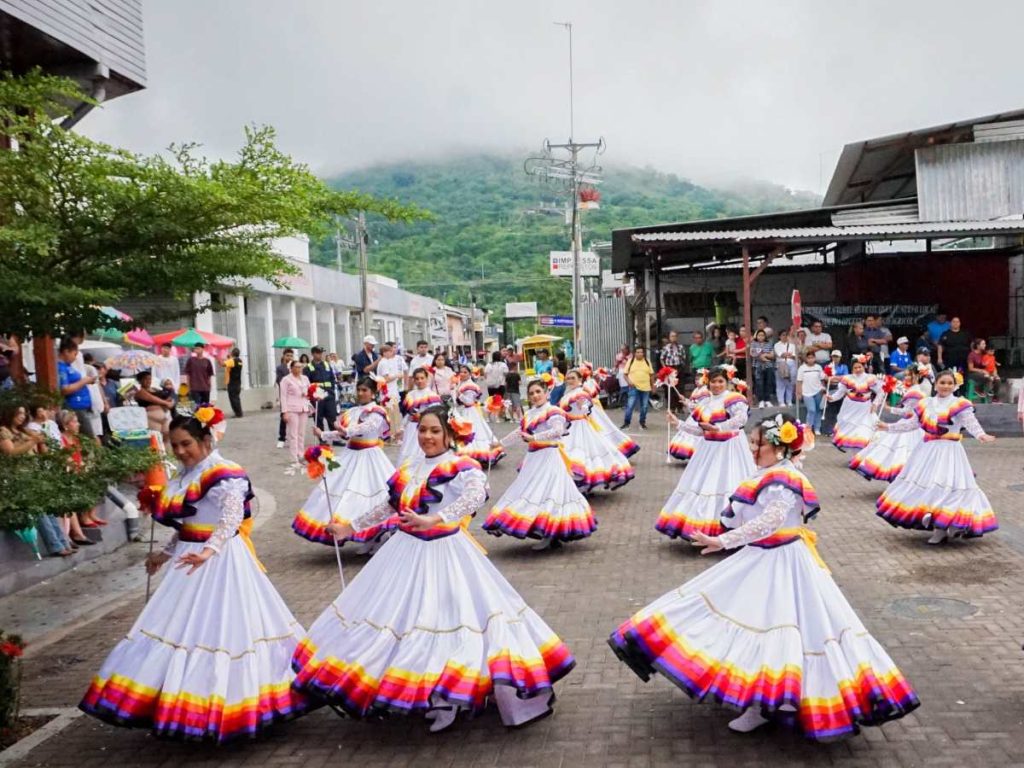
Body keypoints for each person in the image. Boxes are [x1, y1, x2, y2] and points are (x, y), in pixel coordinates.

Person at [611, 414, 919, 739]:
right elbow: (751, 518)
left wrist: (722, 541)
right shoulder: (771, 473)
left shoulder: (783, 478)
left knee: (779, 626)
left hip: (784, 560)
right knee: (746, 619)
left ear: (780, 446)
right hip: (762, 557)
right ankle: (761, 701)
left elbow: (769, 522)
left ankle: (765, 705)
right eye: (753, 442)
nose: (753, 448)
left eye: (759, 443)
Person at [292, 407, 575, 732]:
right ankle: (428, 693)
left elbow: (476, 496)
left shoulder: (460, 465)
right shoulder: (411, 467)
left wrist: (436, 518)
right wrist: (350, 527)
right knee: (404, 620)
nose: (427, 436)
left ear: (449, 434)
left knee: (447, 622)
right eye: (423, 430)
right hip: (404, 553)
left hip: (446, 554)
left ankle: (448, 699)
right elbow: (390, 505)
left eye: (435, 431)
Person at [80, 411, 312, 741]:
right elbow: (189, 527)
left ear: (206, 440)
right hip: (190, 561)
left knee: (226, 630)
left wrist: (210, 550)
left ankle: (232, 706)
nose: (180, 451)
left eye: (186, 443)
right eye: (174, 445)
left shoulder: (224, 472)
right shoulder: (184, 476)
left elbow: (231, 517)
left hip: (221, 562)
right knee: (179, 628)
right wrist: (164, 553)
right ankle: (183, 704)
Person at [876, 370, 997, 544]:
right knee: (928, 485)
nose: (946, 386)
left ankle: (952, 523)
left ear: (955, 385)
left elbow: (971, 423)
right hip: (928, 450)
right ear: (935, 384)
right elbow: (912, 424)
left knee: (951, 486)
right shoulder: (926, 403)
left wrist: (981, 435)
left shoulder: (960, 404)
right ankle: (937, 526)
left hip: (950, 451)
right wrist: (887, 427)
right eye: (942, 382)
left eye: (949, 383)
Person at [484, 379, 595, 550]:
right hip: (534, 458)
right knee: (531, 492)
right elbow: (519, 432)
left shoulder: (553, 411)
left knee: (550, 492)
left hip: (550, 457)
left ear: (546, 393)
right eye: (531, 393)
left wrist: (535, 438)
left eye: (538, 392)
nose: (535, 396)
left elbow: (558, 431)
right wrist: (500, 443)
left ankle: (551, 533)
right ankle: (545, 531)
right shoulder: (530, 414)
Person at [293, 377, 395, 551]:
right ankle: (366, 536)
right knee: (345, 493)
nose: (361, 393)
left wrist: (347, 430)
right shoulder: (353, 411)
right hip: (351, 455)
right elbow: (342, 434)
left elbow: (368, 427)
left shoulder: (376, 411)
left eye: (365, 390)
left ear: (373, 392)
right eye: (359, 389)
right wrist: (323, 434)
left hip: (370, 457)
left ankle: (378, 536)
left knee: (373, 495)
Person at [655, 368, 755, 541]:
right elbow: (700, 431)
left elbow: (741, 419)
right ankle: (704, 528)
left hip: (730, 448)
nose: (716, 385)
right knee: (705, 484)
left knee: (729, 483)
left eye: (720, 381)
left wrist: (720, 427)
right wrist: (677, 422)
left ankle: (733, 529)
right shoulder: (705, 403)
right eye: (713, 382)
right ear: (708, 383)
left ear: (727, 382)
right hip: (708, 449)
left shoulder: (733, 399)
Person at [559, 369, 634, 493]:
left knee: (582, 455)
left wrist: (581, 407)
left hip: (581, 428)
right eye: (568, 378)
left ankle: (584, 484)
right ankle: (575, 485)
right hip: (569, 428)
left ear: (580, 380)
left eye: (573, 378)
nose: (570, 381)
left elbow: (586, 409)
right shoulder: (566, 395)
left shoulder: (581, 393)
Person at [849, 366, 926, 482]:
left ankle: (902, 478)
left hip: (910, 425)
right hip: (907, 423)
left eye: (909, 375)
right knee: (895, 452)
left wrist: (888, 408)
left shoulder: (915, 392)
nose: (907, 377)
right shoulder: (912, 389)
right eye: (905, 375)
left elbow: (906, 411)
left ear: (917, 376)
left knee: (903, 453)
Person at [827, 355, 882, 452]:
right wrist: (832, 398)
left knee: (863, 430)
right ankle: (848, 449)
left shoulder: (870, 378)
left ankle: (860, 455)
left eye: (859, 367)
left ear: (864, 366)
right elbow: (841, 392)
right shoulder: (847, 378)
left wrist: (875, 404)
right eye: (855, 367)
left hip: (864, 408)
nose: (857, 369)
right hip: (849, 407)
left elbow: (880, 392)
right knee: (848, 429)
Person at [452, 369, 505, 466]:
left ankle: (477, 456)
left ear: (470, 374)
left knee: (472, 433)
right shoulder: (460, 383)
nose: (462, 374)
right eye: (461, 372)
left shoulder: (470, 386)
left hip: (469, 412)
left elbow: (469, 402)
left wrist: (459, 395)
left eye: (465, 372)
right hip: (461, 411)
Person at [397, 367, 442, 465]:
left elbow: (436, 413)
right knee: (408, 452)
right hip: (411, 429)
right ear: (413, 380)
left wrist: (422, 416)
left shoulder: (432, 395)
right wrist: (401, 428)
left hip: (425, 428)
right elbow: (406, 415)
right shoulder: (410, 395)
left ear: (427, 378)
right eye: (417, 379)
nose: (419, 381)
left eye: (422, 378)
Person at [57, 338, 97, 439]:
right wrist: (84, 381)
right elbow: (65, 389)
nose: (75, 358)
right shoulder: (61, 367)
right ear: (66, 352)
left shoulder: (68, 366)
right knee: (89, 438)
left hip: (82, 406)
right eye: (74, 354)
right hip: (75, 406)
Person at [668, 369, 710, 462]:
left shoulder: (706, 391)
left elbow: (701, 406)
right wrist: (685, 400)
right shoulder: (696, 390)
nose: (697, 381)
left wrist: (688, 404)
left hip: (701, 417)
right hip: (693, 416)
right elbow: (692, 403)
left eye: (699, 379)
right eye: (695, 379)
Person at [280, 359, 311, 473]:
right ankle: (294, 457)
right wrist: (285, 412)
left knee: (301, 433)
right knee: (293, 434)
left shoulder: (305, 378)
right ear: (291, 368)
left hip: (303, 407)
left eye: (300, 367)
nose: (299, 369)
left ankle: (301, 454)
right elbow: (283, 396)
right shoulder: (286, 380)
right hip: (291, 408)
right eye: (296, 367)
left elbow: (309, 390)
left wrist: (308, 393)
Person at [374, 343, 407, 434]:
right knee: (390, 415)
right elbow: (386, 379)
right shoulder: (384, 363)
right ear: (384, 353)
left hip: (392, 392)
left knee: (395, 414)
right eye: (390, 351)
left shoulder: (388, 362)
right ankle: (390, 435)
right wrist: (397, 375)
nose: (392, 353)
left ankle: (394, 433)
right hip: (388, 394)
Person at [306, 346, 339, 435]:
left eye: (321, 353)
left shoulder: (326, 364)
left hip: (329, 394)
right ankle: (322, 437)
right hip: (317, 395)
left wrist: (331, 391)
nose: (320, 355)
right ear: (313, 354)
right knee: (318, 417)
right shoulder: (308, 367)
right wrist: (312, 395)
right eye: (318, 353)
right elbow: (307, 383)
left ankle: (334, 437)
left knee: (332, 416)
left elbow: (332, 378)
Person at [134, 371, 174, 441]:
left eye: (150, 379)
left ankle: (168, 451)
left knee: (167, 437)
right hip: (151, 417)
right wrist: (165, 403)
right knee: (155, 439)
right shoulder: (139, 391)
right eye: (146, 379)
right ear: (140, 381)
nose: (148, 381)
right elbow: (152, 398)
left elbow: (168, 398)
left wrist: (169, 401)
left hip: (165, 415)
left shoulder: (156, 389)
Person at [621, 346, 654, 430]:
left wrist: (653, 386)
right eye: (638, 352)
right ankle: (626, 423)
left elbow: (651, 375)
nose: (640, 354)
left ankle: (642, 423)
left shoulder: (647, 361)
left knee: (645, 407)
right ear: (635, 353)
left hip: (646, 387)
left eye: (641, 352)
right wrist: (629, 382)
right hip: (633, 387)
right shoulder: (630, 361)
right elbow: (625, 374)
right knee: (630, 406)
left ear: (643, 353)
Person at [182, 342, 214, 407]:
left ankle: (205, 417)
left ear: (202, 349)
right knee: (196, 406)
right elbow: (188, 374)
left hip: (205, 387)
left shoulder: (207, 361)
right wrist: (188, 385)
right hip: (194, 387)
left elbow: (210, 374)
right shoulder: (191, 360)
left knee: (205, 406)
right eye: (195, 348)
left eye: (198, 348)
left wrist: (210, 385)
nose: (196, 350)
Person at [750, 329, 775, 408]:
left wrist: (764, 356)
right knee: (759, 384)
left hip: (768, 366)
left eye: (763, 335)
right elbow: (752, 353)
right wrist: (761, 356)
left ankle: (767, 400)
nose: (761, 337)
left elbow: (772, 355)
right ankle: (761, 400)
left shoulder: (769, 343)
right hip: (758, 366)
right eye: (759, 335)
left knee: (768, 383)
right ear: (756, 336)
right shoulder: (754, 343)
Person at [274, 349, 294, 449]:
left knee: (295, 418)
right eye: (288, 355)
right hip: (285, 395)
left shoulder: (295, 366)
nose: (289, 358)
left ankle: (294, 438)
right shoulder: (280, 368)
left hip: (295, 396)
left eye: (291, 356)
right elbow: (280, 381)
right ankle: (281, 438)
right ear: (284, 356)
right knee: (284, 417)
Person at [773, 329, 798, 406]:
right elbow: (781, 355)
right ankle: (781, 401)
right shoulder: (776, 345)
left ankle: (789, 400)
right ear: (779, 336)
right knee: (780, 383)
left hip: (791, 365)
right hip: (781, 365)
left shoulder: (792, 345)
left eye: (786, 335)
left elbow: (794, 356)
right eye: (783, 335)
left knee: (790, 383)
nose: (784, 336)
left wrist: (786, 354)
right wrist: (787, 354)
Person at [483, 351, 509, 423]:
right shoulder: (503, 365)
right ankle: (497, 417)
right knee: (499, 401)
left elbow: (485, 375)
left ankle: (488, 417)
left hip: (491, 385)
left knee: (491, 400)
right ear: (500, 357)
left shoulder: (489, 365)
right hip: (500, 385)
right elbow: (506, 374)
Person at [224, 347, 244, 418]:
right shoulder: (240, 361)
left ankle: (238, 413)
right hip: (238, 383)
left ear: (232, 353)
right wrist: (229, 358)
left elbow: (223, 364)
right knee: (237, 398)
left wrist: (218, 358)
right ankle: (239, 412)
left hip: (232, 383)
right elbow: (232, 364)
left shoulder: (232, 361)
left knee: (233, 399)